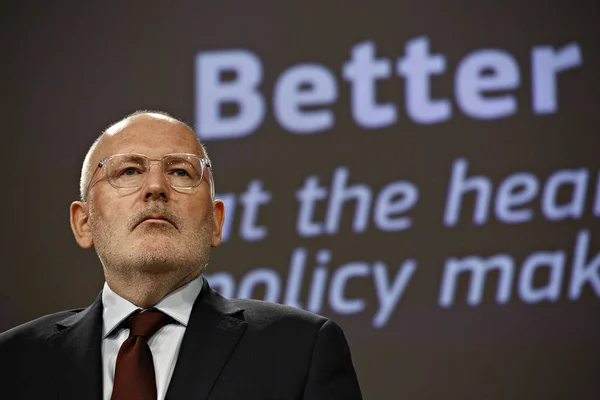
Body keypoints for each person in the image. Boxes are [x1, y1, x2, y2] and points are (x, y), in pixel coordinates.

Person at [0, 111, 363, 399]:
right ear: (84, 223)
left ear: (216, 222)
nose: (156, 188)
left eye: (180, 171)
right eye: (128, 171)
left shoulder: (299, 350)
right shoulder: (13, 362)